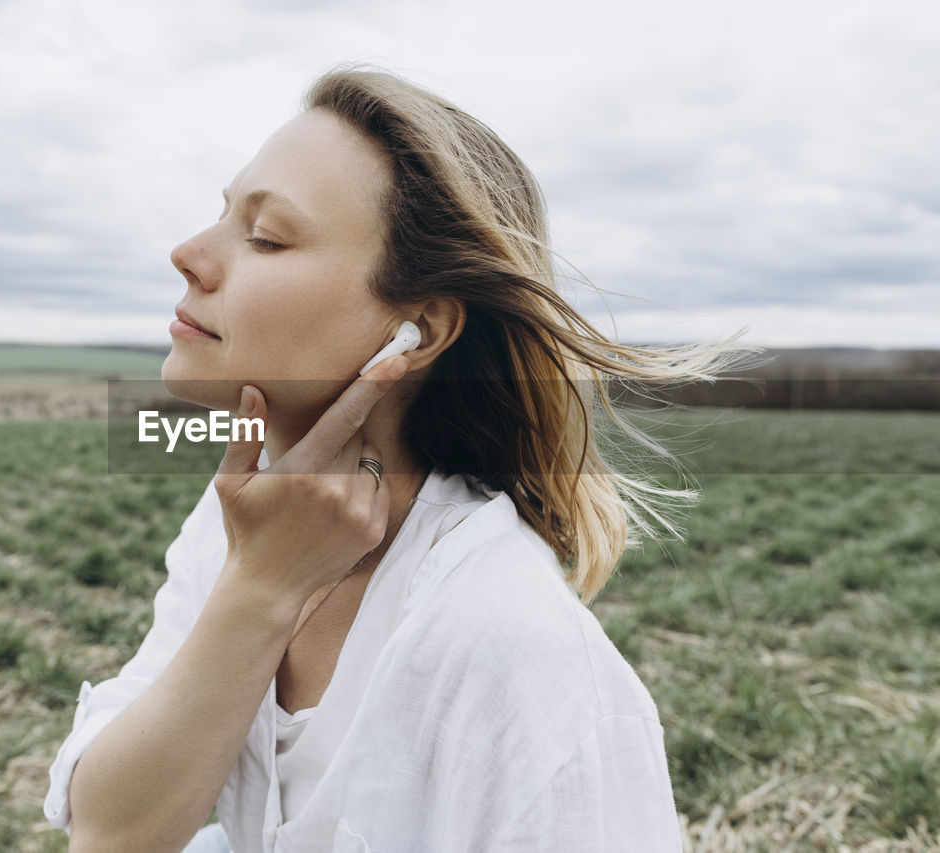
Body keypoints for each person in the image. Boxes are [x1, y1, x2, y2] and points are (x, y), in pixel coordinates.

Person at [45, 65, 758, 852]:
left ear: (417, 329)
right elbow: (111, 831)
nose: (188, 254)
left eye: (267, 237)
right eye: (221, 215)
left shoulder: (518, 651)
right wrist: (259, 588)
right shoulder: (230, 531)